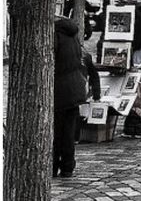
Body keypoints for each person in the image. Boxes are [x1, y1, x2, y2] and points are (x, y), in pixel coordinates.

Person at [53, 16, 87, 178]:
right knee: (68, 131)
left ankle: (53, 165)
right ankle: (67, 166)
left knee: (56, 131)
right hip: (75, 88)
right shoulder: (72, 36)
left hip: (60, 89)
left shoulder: (56, 36)